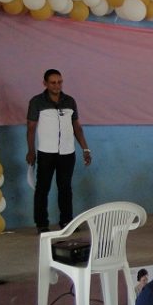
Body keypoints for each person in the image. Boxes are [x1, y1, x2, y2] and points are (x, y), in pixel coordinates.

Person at [26, 69, 92, 233]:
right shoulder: (37, 102)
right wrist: (31, 151)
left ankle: (66, 222)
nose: (57, 85)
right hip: (46, 152)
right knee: (43, 188)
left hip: (67, 152)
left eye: (60, 82)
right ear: (45, 84)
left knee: (65, 188)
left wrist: (85, 148)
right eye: (53, 82)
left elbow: (76, 127)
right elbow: (31, 128)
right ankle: (42, 224)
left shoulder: (69, 101)